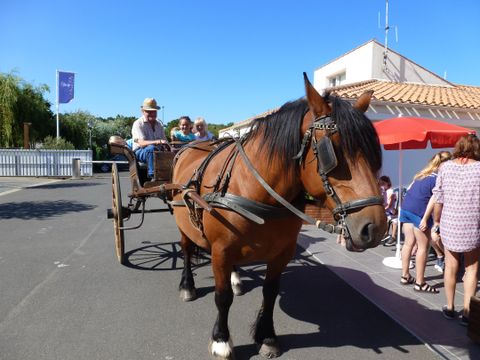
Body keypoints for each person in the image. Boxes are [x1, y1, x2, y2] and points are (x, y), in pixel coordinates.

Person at [432, 135, 480, 325]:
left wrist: (436, 222)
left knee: (451, 267)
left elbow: (438, 199)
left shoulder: (445, 167)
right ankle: (467, 313)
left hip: (450, 224)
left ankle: (450, 307)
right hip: (473, 225)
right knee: (471, 270)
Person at [399, 151, 452, 294]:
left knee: (408, 243)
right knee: (423, 247)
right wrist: (426, 219)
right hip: (419, 213)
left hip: (406, 209)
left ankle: (405, 276)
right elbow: (433, 200)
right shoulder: (438, 179)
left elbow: (410, 190)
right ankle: (420, 283)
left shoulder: (422, 174)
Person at [131, 98, 168, 179]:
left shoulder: (159, 125)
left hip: (157, 151)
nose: (152, 114)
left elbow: (165, 141)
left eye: (154, 111)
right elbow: (141, 143)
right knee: (151, 149)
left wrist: (170, 148)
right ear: (143, 111)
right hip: (140, 152)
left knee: (169, 152)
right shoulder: (138, 124)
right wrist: (157, 141)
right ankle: (153, 176)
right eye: (149, 111)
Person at [379, 175, 398, 246]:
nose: (382, 186)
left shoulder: (391, 191)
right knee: (386, 221)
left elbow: (390, 203)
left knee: (394, 221)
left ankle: (393, 236)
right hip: (387, 210)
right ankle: (386, 234)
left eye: (383, 184)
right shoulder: (384, 191)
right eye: (380, 184)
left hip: (392, 210)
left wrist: (385, 208)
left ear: (387, 183)